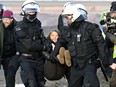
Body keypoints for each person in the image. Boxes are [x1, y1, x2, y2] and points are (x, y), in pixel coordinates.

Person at [52, 3, 116, 87]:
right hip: (75, 66)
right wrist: (54, 54)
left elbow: (101, 45)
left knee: (91, 84)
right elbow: (61, 41)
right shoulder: (69, 31)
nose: (67, 21)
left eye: (68, 18)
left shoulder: (91, 28)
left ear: (73, 16)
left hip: (89, 64)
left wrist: (106, 62)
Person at [15, 0, 45, 87]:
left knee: (41, 83)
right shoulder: (19, 26)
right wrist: (43, 47)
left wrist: (47, 43)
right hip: (26, 59)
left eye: (33, 11)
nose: (32, 13)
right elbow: (28, 45)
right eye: (29, 11)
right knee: (31, 83)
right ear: (24, 11)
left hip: (39, 59)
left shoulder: (38, 24)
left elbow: (42, 37)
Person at [0, 10, 19, 87]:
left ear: (12, 19)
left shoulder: (18, 26)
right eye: (4, 19)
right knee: (7, 74)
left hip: (15, 55)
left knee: (11, 73)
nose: (5, 21)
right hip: (3, 56)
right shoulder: (0, 27)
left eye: (7, 19)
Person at [101, 1, 116, 87]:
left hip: (110, 36)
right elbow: (102, 22)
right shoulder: (106, 13)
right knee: (107, 54)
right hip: (108, 35)